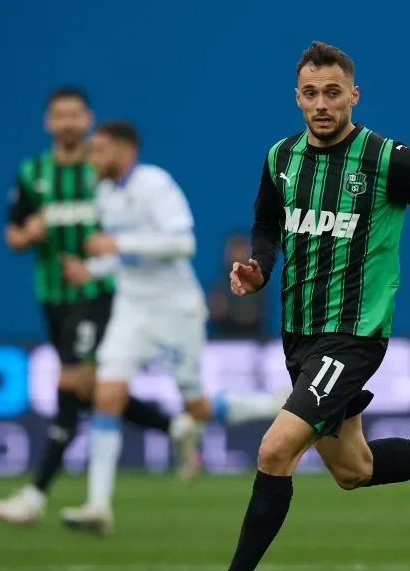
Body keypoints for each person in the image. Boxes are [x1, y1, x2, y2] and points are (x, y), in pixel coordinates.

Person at [165, 41, 410, 571]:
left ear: (353, 94)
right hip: (299, 338)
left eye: (332, 92)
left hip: (351, 336)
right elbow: (267, 222)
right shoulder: (281, 158)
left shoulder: (385, 158)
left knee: (275, 451)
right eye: (310, 93)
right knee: (354, 469)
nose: (321, 104)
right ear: (296, 97)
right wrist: (258, 267)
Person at [58, 121, 287, 535]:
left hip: (175, 311)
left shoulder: (155, 185)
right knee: (107, 393)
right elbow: (122, 259)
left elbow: (183, 244)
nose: (92, 158)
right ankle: (97, 505)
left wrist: (117, 246)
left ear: (124, 151)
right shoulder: (106, 194)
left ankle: (276, 404)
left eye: (99, 150)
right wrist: (92, 270)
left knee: (196, 407)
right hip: (131, 310)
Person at [0, 88, 202, 526]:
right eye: (58, 116)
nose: (67, 123)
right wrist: (27, 234)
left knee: (72, 385)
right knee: (93, 390)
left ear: (88, 120)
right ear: (48, 122)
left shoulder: (102, 172)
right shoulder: (34, 173)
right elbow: (12, 235)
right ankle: (171, 426)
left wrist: (107, 258)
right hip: (54, 293)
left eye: (75, 115)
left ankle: (37, 495)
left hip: (102, 295)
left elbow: (162, 236)